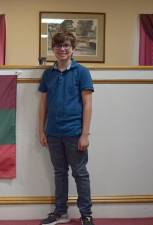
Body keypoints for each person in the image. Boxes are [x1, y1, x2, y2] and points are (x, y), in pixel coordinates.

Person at [38, 31, 94, 225]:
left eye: (66, 46)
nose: (62, 49)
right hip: (53, 133)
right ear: (53, 49)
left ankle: (86, 214)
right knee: (60, 173)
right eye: (58, 46)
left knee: (80, 173)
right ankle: (60, 212)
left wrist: (84, 134)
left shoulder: (82, 72)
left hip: (74, 133)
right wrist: (41, 131)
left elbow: (87, 104)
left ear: (73, 49)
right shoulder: (48, 74)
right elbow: (43, 104)